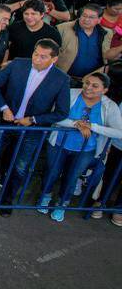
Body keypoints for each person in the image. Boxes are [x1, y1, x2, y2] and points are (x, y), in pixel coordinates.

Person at [0, 39, 71, 216]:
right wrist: (4, 108)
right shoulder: (17, 64)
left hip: (32, 130)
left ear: (54, 59)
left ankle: (7, 200)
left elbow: (62, 112)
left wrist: (33, 119)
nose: (37, 59)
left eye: (43, 56)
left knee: (20, 167)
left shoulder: (61, 79)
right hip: (5, 122)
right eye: (35, 53)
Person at [40, 73, 122, 222]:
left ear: (105, 90)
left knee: (72, 177)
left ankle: (62, 204)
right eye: (86, 83)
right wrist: (76, 124)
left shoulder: (109, 106)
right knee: (52, 172)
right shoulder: (71, 94)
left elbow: (119, 132)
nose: (88, 87)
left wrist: (93, 126)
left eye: (95, 86)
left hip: (86, 150)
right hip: (58, 143)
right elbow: (55, 116)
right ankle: (45, 196)